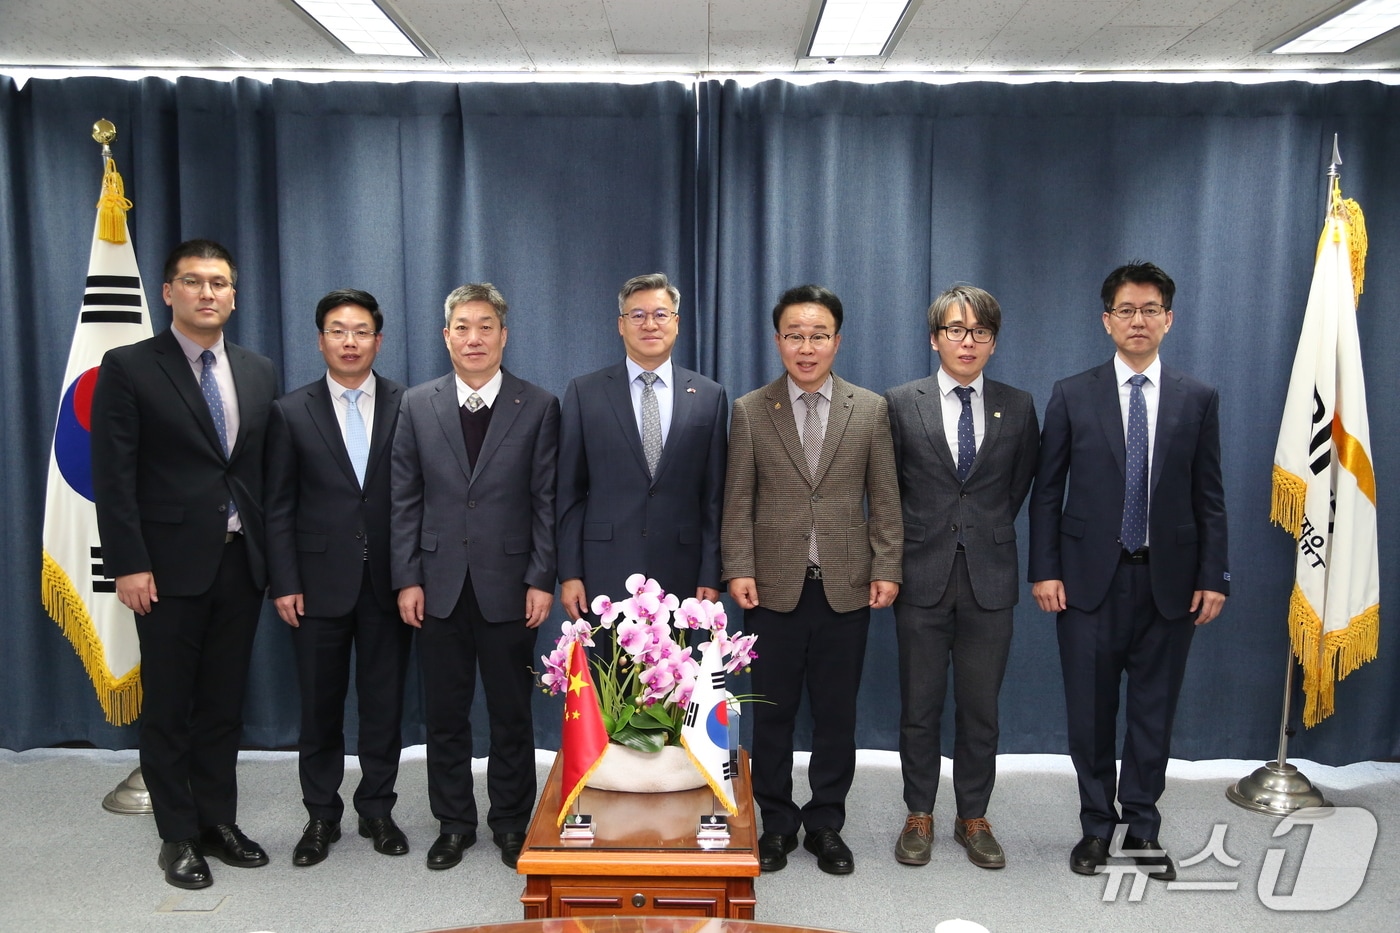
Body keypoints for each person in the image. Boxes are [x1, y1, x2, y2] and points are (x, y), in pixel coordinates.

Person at [1029, 261, 1228, 881]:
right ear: (1106, 321)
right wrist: (1044, 570)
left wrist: (1213, 575)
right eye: (1125, 310)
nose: (1137, 321)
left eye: (1149, 310)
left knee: (1152, 712)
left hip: (1170, 581)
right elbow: (1046, 491)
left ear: (1168, 319)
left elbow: (1210, 496)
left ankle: (1142, 828)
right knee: (1089, 714)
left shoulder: (1197, 398)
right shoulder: (1071, 393)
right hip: (1088, 581)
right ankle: (1095, 828)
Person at [90, 238, 278, 889]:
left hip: (238, 564)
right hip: (164, 568)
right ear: (168, 292)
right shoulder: (129, 366)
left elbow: (258, 475)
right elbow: (111, 476)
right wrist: (129, 562)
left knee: (224, 704)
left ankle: (216, 821)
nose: (208, 292)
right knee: (170, 704)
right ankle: (176, 835)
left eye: (219, 282)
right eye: (193, 281)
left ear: (233, 294)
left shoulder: (257, 370)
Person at [721, 284, 902, 875]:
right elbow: (737, 502)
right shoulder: (750, 410)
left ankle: (826, 822)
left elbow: (886, 500)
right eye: (794, 336)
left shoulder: (870, 409)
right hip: (771, 587)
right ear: (778, 341)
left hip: (846, 585)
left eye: (817, 335)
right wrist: (739, 568)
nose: (806, 347)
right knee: (770, 711)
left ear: (837, 341)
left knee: (835, 712)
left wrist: (888, 567)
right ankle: (775, 822)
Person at [391, 282, 558, 871]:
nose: (474, 337)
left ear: (504, 335)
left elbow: (546, 500)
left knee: (512, 714)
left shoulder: (537, 405)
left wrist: (541, 577)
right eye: (462, 326)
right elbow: (404, 498)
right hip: (436, 586)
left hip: (512, 587)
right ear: (446, 337)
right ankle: (454, 823)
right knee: (446, 713)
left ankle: (512, 822)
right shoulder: (416, 403)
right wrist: (406, 577)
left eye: (486, 326)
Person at [885, 285, 1039, 870]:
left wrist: (982, 533)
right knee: (919, 707)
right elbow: (888, 488)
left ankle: (973, 815)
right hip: (919, 576)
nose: (966, 341)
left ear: (993, 342)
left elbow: (1019, 486)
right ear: (935, 338)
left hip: (990, 579)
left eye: (979, 332)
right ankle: (918, 813)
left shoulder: (1019, 405)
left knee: (981, 709)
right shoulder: (901, 403)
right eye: (955, 330)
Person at [265, 289, 412, 867]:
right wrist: (284, 580)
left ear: (378, 339)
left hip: (390, 583)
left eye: (360, 332)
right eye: (337, 331)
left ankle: (377, 809)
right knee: (319, 707)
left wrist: (413, 575)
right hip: (315, 584)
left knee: (384, 704)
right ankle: (321, 815)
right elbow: (277, 505)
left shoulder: (411, 403)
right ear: (320, 340)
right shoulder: (289, 410)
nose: (349, 342)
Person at [556, 273, 727, 615]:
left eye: (661, 314)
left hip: (682, 571)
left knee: (677, 669)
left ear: (676, 323)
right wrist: (570, 572)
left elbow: (714, 496)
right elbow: (569, 493)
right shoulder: (585, 392)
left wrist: (711, 570)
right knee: (609, 668)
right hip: (603, 570)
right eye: (637, 315)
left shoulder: (709, 396)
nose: (650, 324)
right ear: (621, 325)